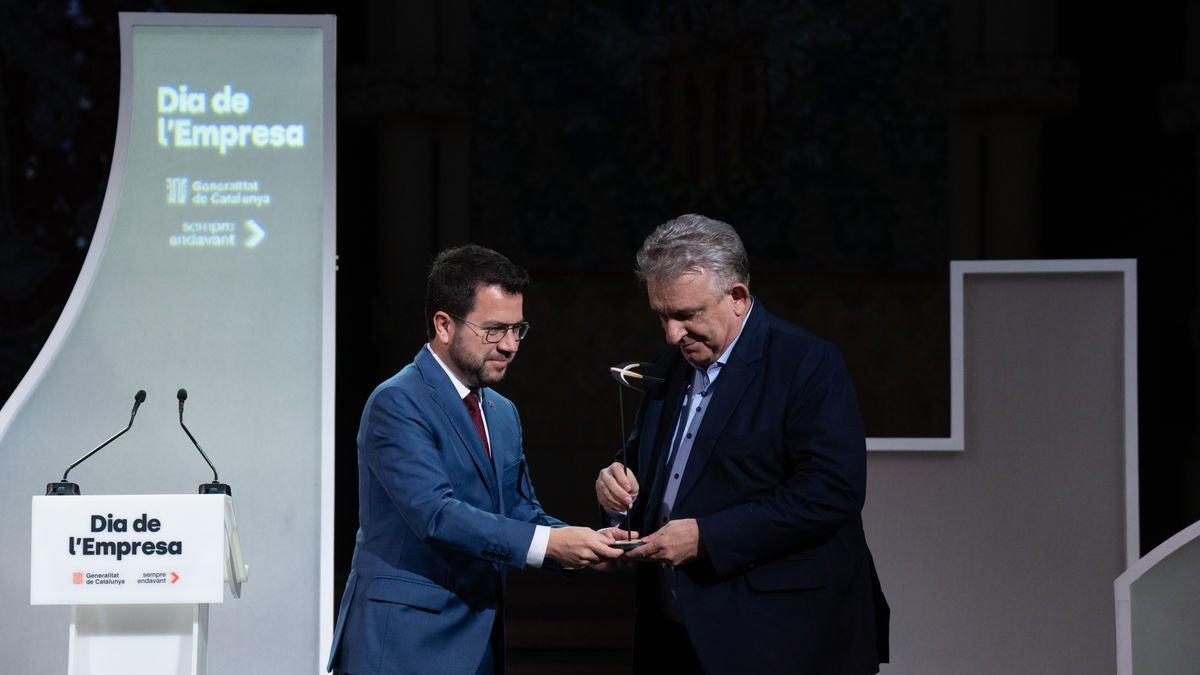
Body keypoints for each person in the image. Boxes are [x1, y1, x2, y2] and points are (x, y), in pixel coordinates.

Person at [595, 214, 889, 675]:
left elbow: (832, 491)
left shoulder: (806, 363)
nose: (672, 335)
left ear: (737, 297)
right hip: (674, 634)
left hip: (781, 639)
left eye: (686, 315)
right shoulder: (673, 364)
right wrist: (616, 489)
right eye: (661, 316)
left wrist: (707, 538)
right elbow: (647, 460)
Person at [330, 244, 627, 675]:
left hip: (478, 647)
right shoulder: (396, 403)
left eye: (517, 329)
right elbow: (436, 515)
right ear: (444, 325)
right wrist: (550, 545)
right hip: (403, 646)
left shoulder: (502, 413)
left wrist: (582, 545)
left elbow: (521, 510)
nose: (510, 346)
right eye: (494, 330)